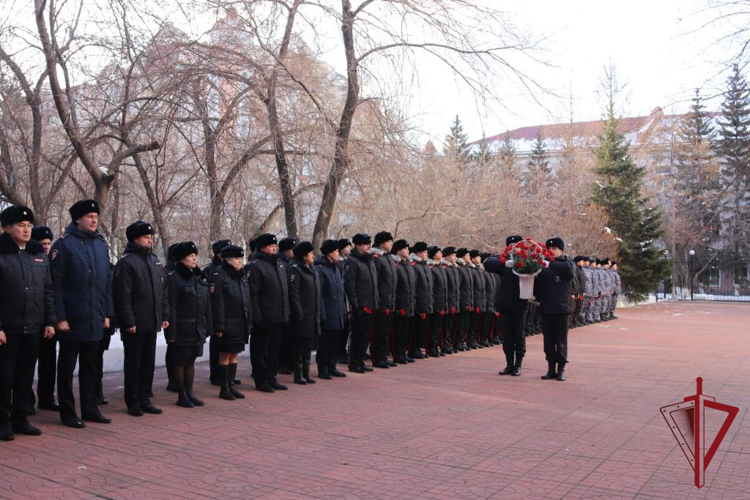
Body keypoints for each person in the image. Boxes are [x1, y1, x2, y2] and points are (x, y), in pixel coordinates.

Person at [50, 200, 113, 428]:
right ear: (77, 219)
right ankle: (68, 412)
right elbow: (54, 284)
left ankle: (90, 409)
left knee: (91, 366)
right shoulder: (63, 245)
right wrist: (60, 317)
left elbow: (106, 282)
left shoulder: (100, 244)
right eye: (89, 216)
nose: (94, 219)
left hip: (95, 316)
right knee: (66, 368)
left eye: (96, 215)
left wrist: (107, 313)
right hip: (72, 318)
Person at [0, 206, 55, 440]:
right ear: (6, 228)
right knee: (4, 378)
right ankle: (2, 421)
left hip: (33, 325)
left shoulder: (38, 254)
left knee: (25, 375)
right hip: (7, 329)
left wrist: (50, 320)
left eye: (28, 225)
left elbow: (48, 289)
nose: (26, 229)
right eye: (20, 225)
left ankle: (21, 419)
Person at [113, 221, 169, 416]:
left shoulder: (155, 262)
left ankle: (145, 398)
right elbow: (123, 296)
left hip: (151, 321)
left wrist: (164, 315)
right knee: (134, 364)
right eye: (146, 237)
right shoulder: (127, 263)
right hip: (135, 324)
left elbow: (163, 292)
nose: (150, 240)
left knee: (148, 363)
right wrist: (128, 321)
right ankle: (133, 401)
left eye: (150, 237)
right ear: (135, 239)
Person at [166, 242, 212, 407]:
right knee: (180, 361)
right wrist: (171, 333)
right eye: (190, 255)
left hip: (197, 327)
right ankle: (181, 394)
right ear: (181, 259)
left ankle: (190, 392)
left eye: (195, 255)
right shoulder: (174, 278)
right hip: (181, 327)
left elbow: (206, 303)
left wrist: (208, 325)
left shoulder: (198, 277)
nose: (194, 258)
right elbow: (171, 306)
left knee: (191, 360)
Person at [246, 233, 290, 393]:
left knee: (274, 350)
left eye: (275, 245)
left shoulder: (278, 265)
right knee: (261, 350)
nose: (274, 248)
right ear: (262, 247)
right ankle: (261, 379)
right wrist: (257, 317)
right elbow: (253, 294)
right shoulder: (255, 266)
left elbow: (284, 291)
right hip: (264, 317)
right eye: (270, 245)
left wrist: (286, 312)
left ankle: (272, 377)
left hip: (278, 315)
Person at [210, 244, 251, 400]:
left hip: (240, 322)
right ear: (227, 259)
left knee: (234, 354)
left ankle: (231, 385)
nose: (239, 261)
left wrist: (249, 321)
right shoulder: (218, 274)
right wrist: (219, 325)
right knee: (225, 354)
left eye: (241, 258)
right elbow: (217, 302)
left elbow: (246, 299)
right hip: (227, 322)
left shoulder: (241, 275)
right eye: (236, 258)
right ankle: (224, 387)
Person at [484, 235, 529, 376]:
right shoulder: (504, 262)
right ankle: (509, 364)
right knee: (507, 336)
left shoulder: (526, 262)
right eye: (511, 245)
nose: (514, 247)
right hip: (504, 304)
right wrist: (505, 262)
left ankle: (518, 365)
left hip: (519, 303)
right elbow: (488, 263)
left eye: (516, 245)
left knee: (519, 336)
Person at [534, 237, 576, 382]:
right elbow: (538, 284)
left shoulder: (566, 263)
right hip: (547, 308)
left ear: (561, 250)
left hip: (562, 309)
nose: (551, 251)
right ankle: (551, 368)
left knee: (561, 341)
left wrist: (549, 264)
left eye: (554, 248)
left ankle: (561, 369)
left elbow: (569, 270)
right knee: (548, 341)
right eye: (549, 249)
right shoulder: (544, 266)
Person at [287, 241, 323, 385]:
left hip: (312, 312)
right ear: (303, 256)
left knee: (308, 343)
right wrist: (298, 311)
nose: (313, 256)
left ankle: (307, 373)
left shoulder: (311, 268)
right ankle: (298, 374)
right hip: (302, 313)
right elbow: (293, 293)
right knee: (299, 344)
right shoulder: (295, 269)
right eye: (310, 254)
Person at [30, 225, 58, 412]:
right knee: (27, 364)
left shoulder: (54, 262)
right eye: (42, 243)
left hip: (49, 320)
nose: (46, 247)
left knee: (48, 364)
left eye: (49, 243)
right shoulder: (29, 260)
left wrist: (53, 320)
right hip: (31, 320)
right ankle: (26, 399)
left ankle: (46, 398)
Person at [343, 234, 378, 373]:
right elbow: (349, 286)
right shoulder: (352, 262)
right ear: (357, 246)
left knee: (365, 336)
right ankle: (354, 362)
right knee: (357, 335)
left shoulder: (369, 261)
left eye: (369, 244)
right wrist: (356, 305)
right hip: (360, 306)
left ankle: (360, 360)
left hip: (370, 304)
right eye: (365, 244)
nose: (369, 246)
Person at [315, 240, 347, 379]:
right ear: (329, 253)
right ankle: (322, 368)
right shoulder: (321, 269)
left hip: (338, 310)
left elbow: (341, 291)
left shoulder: (336, 267)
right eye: (335, 251)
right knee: (325, 343)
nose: (337, 254)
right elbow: (320, 294)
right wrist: (322, 312)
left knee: (335, 341)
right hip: (327, 311)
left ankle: (332, 366)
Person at [204, 239, 232, 387]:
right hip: (215, 313)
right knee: (217, 346)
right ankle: (216, 375)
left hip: (231, 315)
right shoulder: (210, 271)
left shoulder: (232, 270)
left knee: (229, 347)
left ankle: (227, 375)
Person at [370, 231, 397, 369]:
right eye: (389, 242)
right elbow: (376, 283)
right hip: (381, 302)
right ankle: (376, 357)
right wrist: (379, 301)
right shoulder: (376, 259)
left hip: (390, 300)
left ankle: (383, 357)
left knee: (386, 332)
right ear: (381, 243)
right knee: (378, 332)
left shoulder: (389, 258)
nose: (391, 244)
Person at [391, 239, 416, 364]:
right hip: (401, 305)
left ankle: (403, 353)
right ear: (398, 251)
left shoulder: (409, 267)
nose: (407, 251)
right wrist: (398, 305)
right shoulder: (397, 266)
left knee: (406, 332)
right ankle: (397, 355)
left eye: (407, 249)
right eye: (405, 249)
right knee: (398, 332)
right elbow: (395, 288)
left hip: (409, 303)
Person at [277, 237, 297, 375]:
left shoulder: (292, 263)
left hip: (291, 305)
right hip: (282, 305)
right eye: (292, 250)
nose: (294, 252)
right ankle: (282, 363)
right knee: (282, 338)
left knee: (291, 337)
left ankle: (290, 362)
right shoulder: (280, 264)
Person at [409, 241, 432, 359]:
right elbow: (414, 287)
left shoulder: (425, 266)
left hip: (426, 301)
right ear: (418, 253)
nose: (427, 254)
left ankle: (417, 349)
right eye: (425, 252)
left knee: (422, 329)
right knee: (415, 329)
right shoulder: (414, 266)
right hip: (418, 302)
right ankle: (413, 350)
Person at [428, 246, 448, 357]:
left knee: (438, 328)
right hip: (435, 302)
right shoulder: (432, 268)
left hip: (442, 302)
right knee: (433, 327)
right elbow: (432, 288)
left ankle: (435, 347)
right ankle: (431, 348)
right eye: (438, 252)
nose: (441, 254)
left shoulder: (440, 268)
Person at [440, 247, 460, 355]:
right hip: (448, 302)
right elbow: (446, 288)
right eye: (452, 255)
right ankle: (445, 345)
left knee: (451, 325)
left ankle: (449, 344)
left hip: (454, 301)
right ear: (446, 256)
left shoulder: (455, 269)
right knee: (446, 326)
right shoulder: (445, 269)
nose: (455, 257)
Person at [336, 238, 352, 363]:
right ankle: (340, 352)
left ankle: (343, 351)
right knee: (341, 330)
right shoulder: (339, 264)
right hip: (341, 300)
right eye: (347, 247)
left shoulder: (348, 263)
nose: (349, 249)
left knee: (346, 328)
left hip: (347, 300)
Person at [455, 248, 473, 351]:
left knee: (465, 323)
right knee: (460, 323)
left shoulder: (467, 269)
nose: (469, 257)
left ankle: (462, 342)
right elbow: (459, 286)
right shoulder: (460, 269)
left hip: (468, 300)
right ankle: (457, 342)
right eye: (467, 256)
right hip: (462, 301)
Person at [467, 250, 484, 349]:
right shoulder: (472, 270)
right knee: (471, 323)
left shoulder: (478, 270)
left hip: (479, 300)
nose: (480, 258)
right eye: (477, 257)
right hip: (472, 301)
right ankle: (470, 340)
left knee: (476, 323)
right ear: (473, 259)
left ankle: (474, 340)